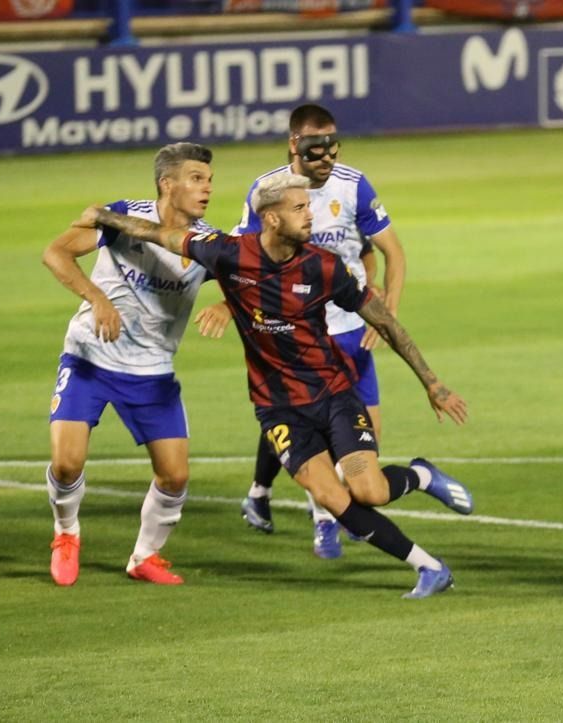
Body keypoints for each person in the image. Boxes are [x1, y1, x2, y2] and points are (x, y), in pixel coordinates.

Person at [76, 172, 474, 599]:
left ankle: (419, 474)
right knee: (331, 498)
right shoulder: (228, 254)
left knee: (369, 491)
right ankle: (429, 568)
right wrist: (104, 215)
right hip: (278, 409)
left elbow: (385, 322)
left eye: (309, 206)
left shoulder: (324, 266)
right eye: (299, 208)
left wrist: (432, 383)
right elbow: (162, 234)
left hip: (333, 395)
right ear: (270, 219)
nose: (311, 214)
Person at [231, 103, 417, 557]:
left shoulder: (353, 185)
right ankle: (324, 521)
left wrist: (385, 314)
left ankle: (267, 493)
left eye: (335, 144)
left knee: (360, 441)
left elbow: (384, 251)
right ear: (295, 144)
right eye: (319, 146)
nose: (329, 154)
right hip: (296, 329)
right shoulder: (270, 191)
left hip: (352, 325)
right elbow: (245, 257)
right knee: (302, 428)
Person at [42, 142, 230, 587]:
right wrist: (98, 298)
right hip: (91, 356)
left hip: (151, 372)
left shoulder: (209, 242)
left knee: (175, 475)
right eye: (196, 179)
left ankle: (145, 556)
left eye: (209, 180)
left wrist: (226, 305)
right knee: (67, 464)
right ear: (168, 183)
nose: (207, 189)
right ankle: (66, 533)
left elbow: (255, 284)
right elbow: (56, 253)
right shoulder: (125, 216)